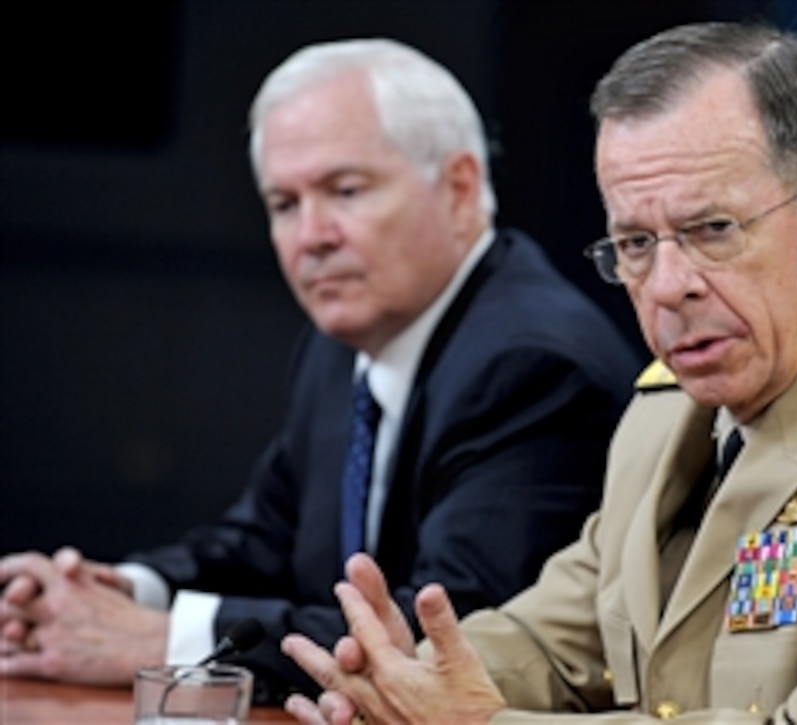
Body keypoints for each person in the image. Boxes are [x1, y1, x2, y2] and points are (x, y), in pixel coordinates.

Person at [279, 21, 797, 724]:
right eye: (634, 243)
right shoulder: (672, 409)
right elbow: (559, 643)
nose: (668, 286)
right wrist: (399, 678)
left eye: (712, 228)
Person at [0, 39, 643, 704]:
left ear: (459, 188)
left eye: (345, 190)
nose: (311, 235)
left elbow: (446, 632)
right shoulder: (346, 341)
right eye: (284, 203)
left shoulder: (533, 364)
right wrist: (112, 591)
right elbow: (263, 538)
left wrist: (157, 640)